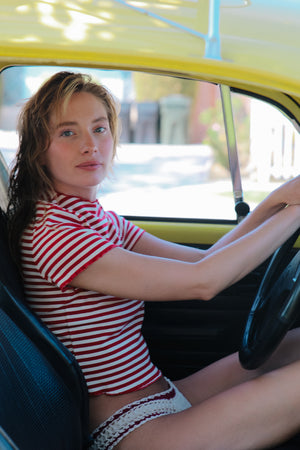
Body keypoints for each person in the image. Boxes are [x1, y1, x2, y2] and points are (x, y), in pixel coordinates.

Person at [7, 71, 300, 450]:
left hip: (165, 397)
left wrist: (278, 200)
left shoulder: (96, 217)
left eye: (99, 128)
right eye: (67, 133)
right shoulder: (52, 231)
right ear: (38, 149)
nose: (90, 145)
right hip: (131, 428)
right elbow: (203, 281)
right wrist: (295, 213)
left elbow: (207, 259)